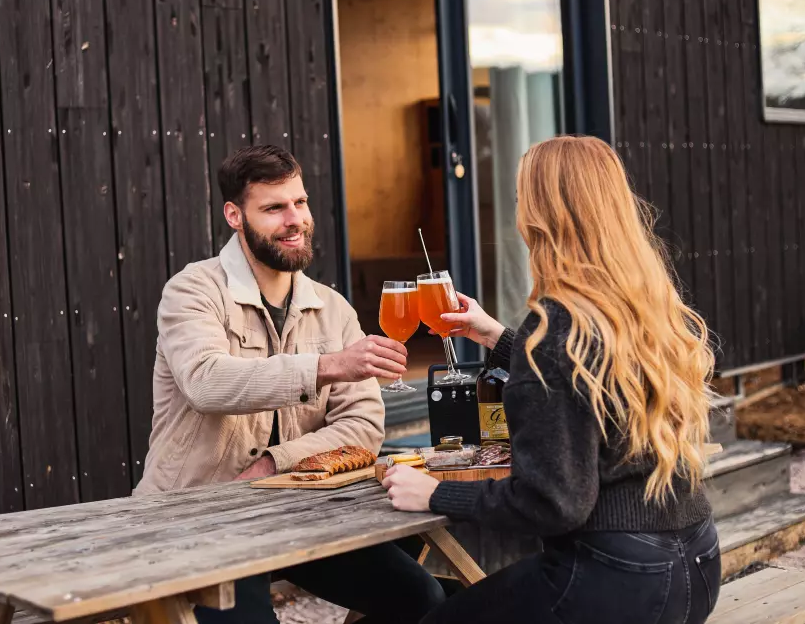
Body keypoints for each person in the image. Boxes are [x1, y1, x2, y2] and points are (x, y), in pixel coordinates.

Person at [384, 136, 721, 624]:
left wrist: (434, 494)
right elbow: (584, 376)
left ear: (539, 216)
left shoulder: (557, 334)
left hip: (616, 582)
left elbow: (552, 504)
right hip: (698, 562)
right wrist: (497, 335)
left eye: (522, 197)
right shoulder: (638, 303)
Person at [134, 145, 445, 623]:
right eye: (274, 208)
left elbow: (361, 425)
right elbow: (206, 382)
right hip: (198, 518)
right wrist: (326, 366)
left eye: (300, 203)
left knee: (420, 599)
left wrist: (276, 465)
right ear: (234, 215)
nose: (294, 219)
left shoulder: (332, 306)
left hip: (299, 514)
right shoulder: (192, 291)